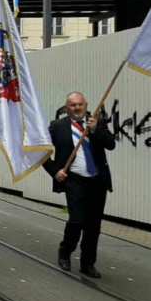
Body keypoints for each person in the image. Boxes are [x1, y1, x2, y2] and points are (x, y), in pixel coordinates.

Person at [43, 92, 115, 278]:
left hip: (97, 180)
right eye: (73, 105)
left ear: (86, 105)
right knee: (77, 220)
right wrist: (54, 170)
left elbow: (110, 144)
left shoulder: (98, 122)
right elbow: (41, 150)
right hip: (74, 179)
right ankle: (65, 251)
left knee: (93, 225)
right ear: (67, 108)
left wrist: (95, 130)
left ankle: (87, 263)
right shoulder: (57, 126)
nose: (77, 108)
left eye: (80, 105)